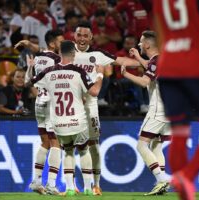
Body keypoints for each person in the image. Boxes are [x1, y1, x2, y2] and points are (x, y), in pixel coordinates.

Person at [15, 21, 138, 195]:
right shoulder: (65, 51)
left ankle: (95, 184)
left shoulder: (98, 54)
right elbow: (45, 50)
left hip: (89, 105)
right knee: (70, 147)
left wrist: (142, 62)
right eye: (79, 35)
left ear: (91, 37)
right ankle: (72, 186)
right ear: (74, 36)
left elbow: (121, 60)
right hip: (72, 106)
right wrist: (30, 45)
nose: (81, 38)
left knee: (92, 145)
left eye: (85, 35)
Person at [153, 1, 199, 200]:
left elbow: (160, 33)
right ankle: (188, 174)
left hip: (168, 67)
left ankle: (184, 190)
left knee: (179, 130)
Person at [31, 40, 105, 196]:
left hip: (58, 122)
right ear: (73, 54)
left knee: (68, 152)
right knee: (84, 151)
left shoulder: (49, 72)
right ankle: (87, 187)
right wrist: (100, 74)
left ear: (59, 54)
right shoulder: (79, 71)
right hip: (77, 121)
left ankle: (70, 187)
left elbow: (32, 82)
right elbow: (94, 92)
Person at [121, 30, 171, 195]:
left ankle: (162, 179)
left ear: (148, 44)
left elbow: (144, 82)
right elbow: (151, 66)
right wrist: (138, 57)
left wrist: (126, 74)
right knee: (156, 146)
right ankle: (163, 186)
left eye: (141, 42)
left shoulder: (155, 61)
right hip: (170, 110)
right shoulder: (162, 58)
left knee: (141, 145)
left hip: (158, 110)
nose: (139, 44)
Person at [25, 29, 64, 195]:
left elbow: (29, 82)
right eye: (61, 42)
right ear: (52, 43)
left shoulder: (39, 58)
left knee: (45, 143)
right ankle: (52, 184)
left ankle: (36, 181)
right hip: (51, 104)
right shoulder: (56, 59)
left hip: (39, 103)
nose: (63, 45)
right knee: (56, 144)